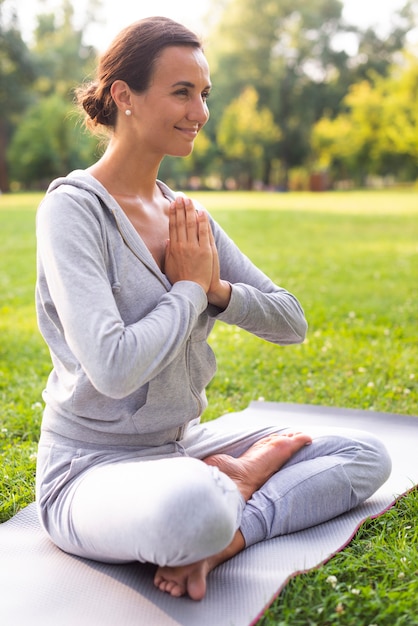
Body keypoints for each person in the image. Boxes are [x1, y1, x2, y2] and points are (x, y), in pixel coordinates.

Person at [35, 16, 391, 601]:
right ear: (124, 95)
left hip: (184, 445)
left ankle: (231, 528)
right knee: (192, 506)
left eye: (204, 95)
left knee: (364, 454)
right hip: (90, 470)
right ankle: (228, 502)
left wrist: (218, 291)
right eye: (182, 92)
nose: (199, 112)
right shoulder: (73, 212)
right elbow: (114, 368)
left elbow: (291, 321)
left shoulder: (188, 220)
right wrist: (190, 292)